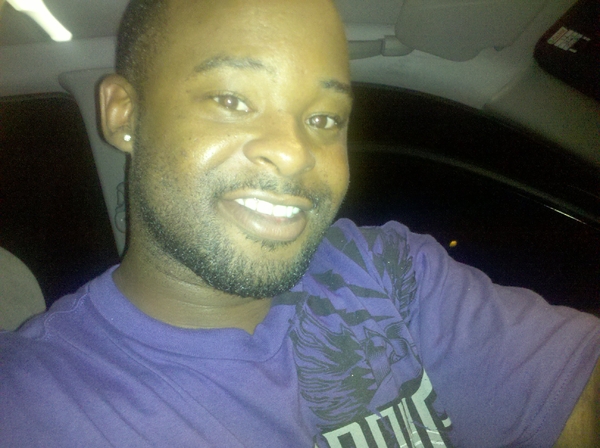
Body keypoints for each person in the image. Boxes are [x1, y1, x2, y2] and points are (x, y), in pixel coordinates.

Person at [1, 0, 598, 446]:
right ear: (124, 114)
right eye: (232, 100)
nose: (294, 152)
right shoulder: (35, 404)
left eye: (324, 118)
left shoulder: (384, 270)